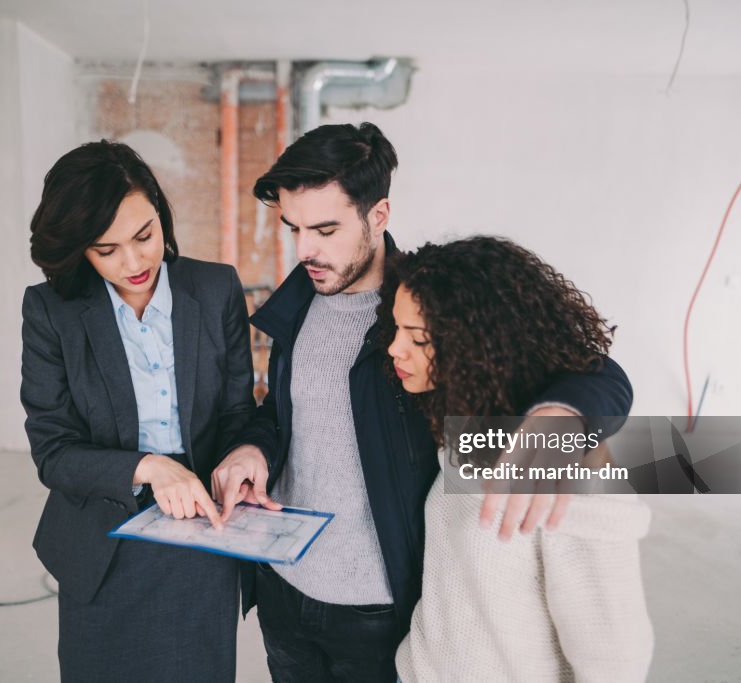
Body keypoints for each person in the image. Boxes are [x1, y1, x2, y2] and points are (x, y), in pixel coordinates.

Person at [210, 122, 635, 682]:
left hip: (383, 609)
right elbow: (288, 414)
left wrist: (557, 422)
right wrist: (252, 449)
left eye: (326, 228)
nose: (305, 250)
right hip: (286, 592)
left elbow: (599, 375)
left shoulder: (426, 307)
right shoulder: (298, 304)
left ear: (378, 215)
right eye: (294, 228)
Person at [20, 140, 253, 682]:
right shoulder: (51, 310)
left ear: (161, 217)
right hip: (101, 542)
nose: (134, 262)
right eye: (106, 250)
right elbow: (53, 451)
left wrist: (245, 451)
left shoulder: (215, 288)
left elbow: (241, 413)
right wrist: (147, 465)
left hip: (202, 534)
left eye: (145, 235)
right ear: (80, 250)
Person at [383, 236, 653, 682]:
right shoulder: (463, 427)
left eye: (418, 338)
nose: (395, 349)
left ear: (480, 344)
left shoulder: (569, 473)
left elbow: (615, 659)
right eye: (396, 330)